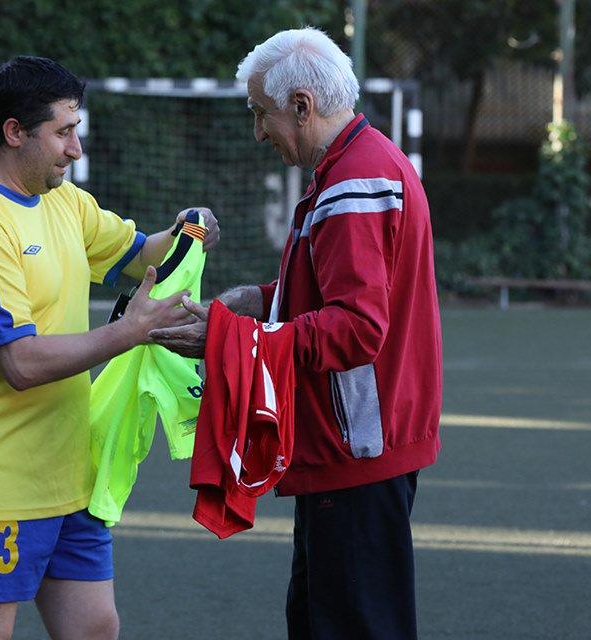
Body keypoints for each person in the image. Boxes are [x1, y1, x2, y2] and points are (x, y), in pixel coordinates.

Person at [0, 55, 219, 640]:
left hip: (70, 476)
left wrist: (193, 229)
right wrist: (127, 332)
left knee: (96, 630)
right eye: (63, 132)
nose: (75, 148)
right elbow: (20, 364)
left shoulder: (65, 202)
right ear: (14, 132)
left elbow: (140, 255)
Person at [150, 28, 442, 640]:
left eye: (262, 113)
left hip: (356, 448)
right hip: (356, 445)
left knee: (348, 626)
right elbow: (331, 294)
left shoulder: (353, 183)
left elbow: (357, 330)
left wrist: (231, 341)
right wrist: (251, 303)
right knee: (321, 619)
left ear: (303, 105)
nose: (259, 131)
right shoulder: (356, 165)